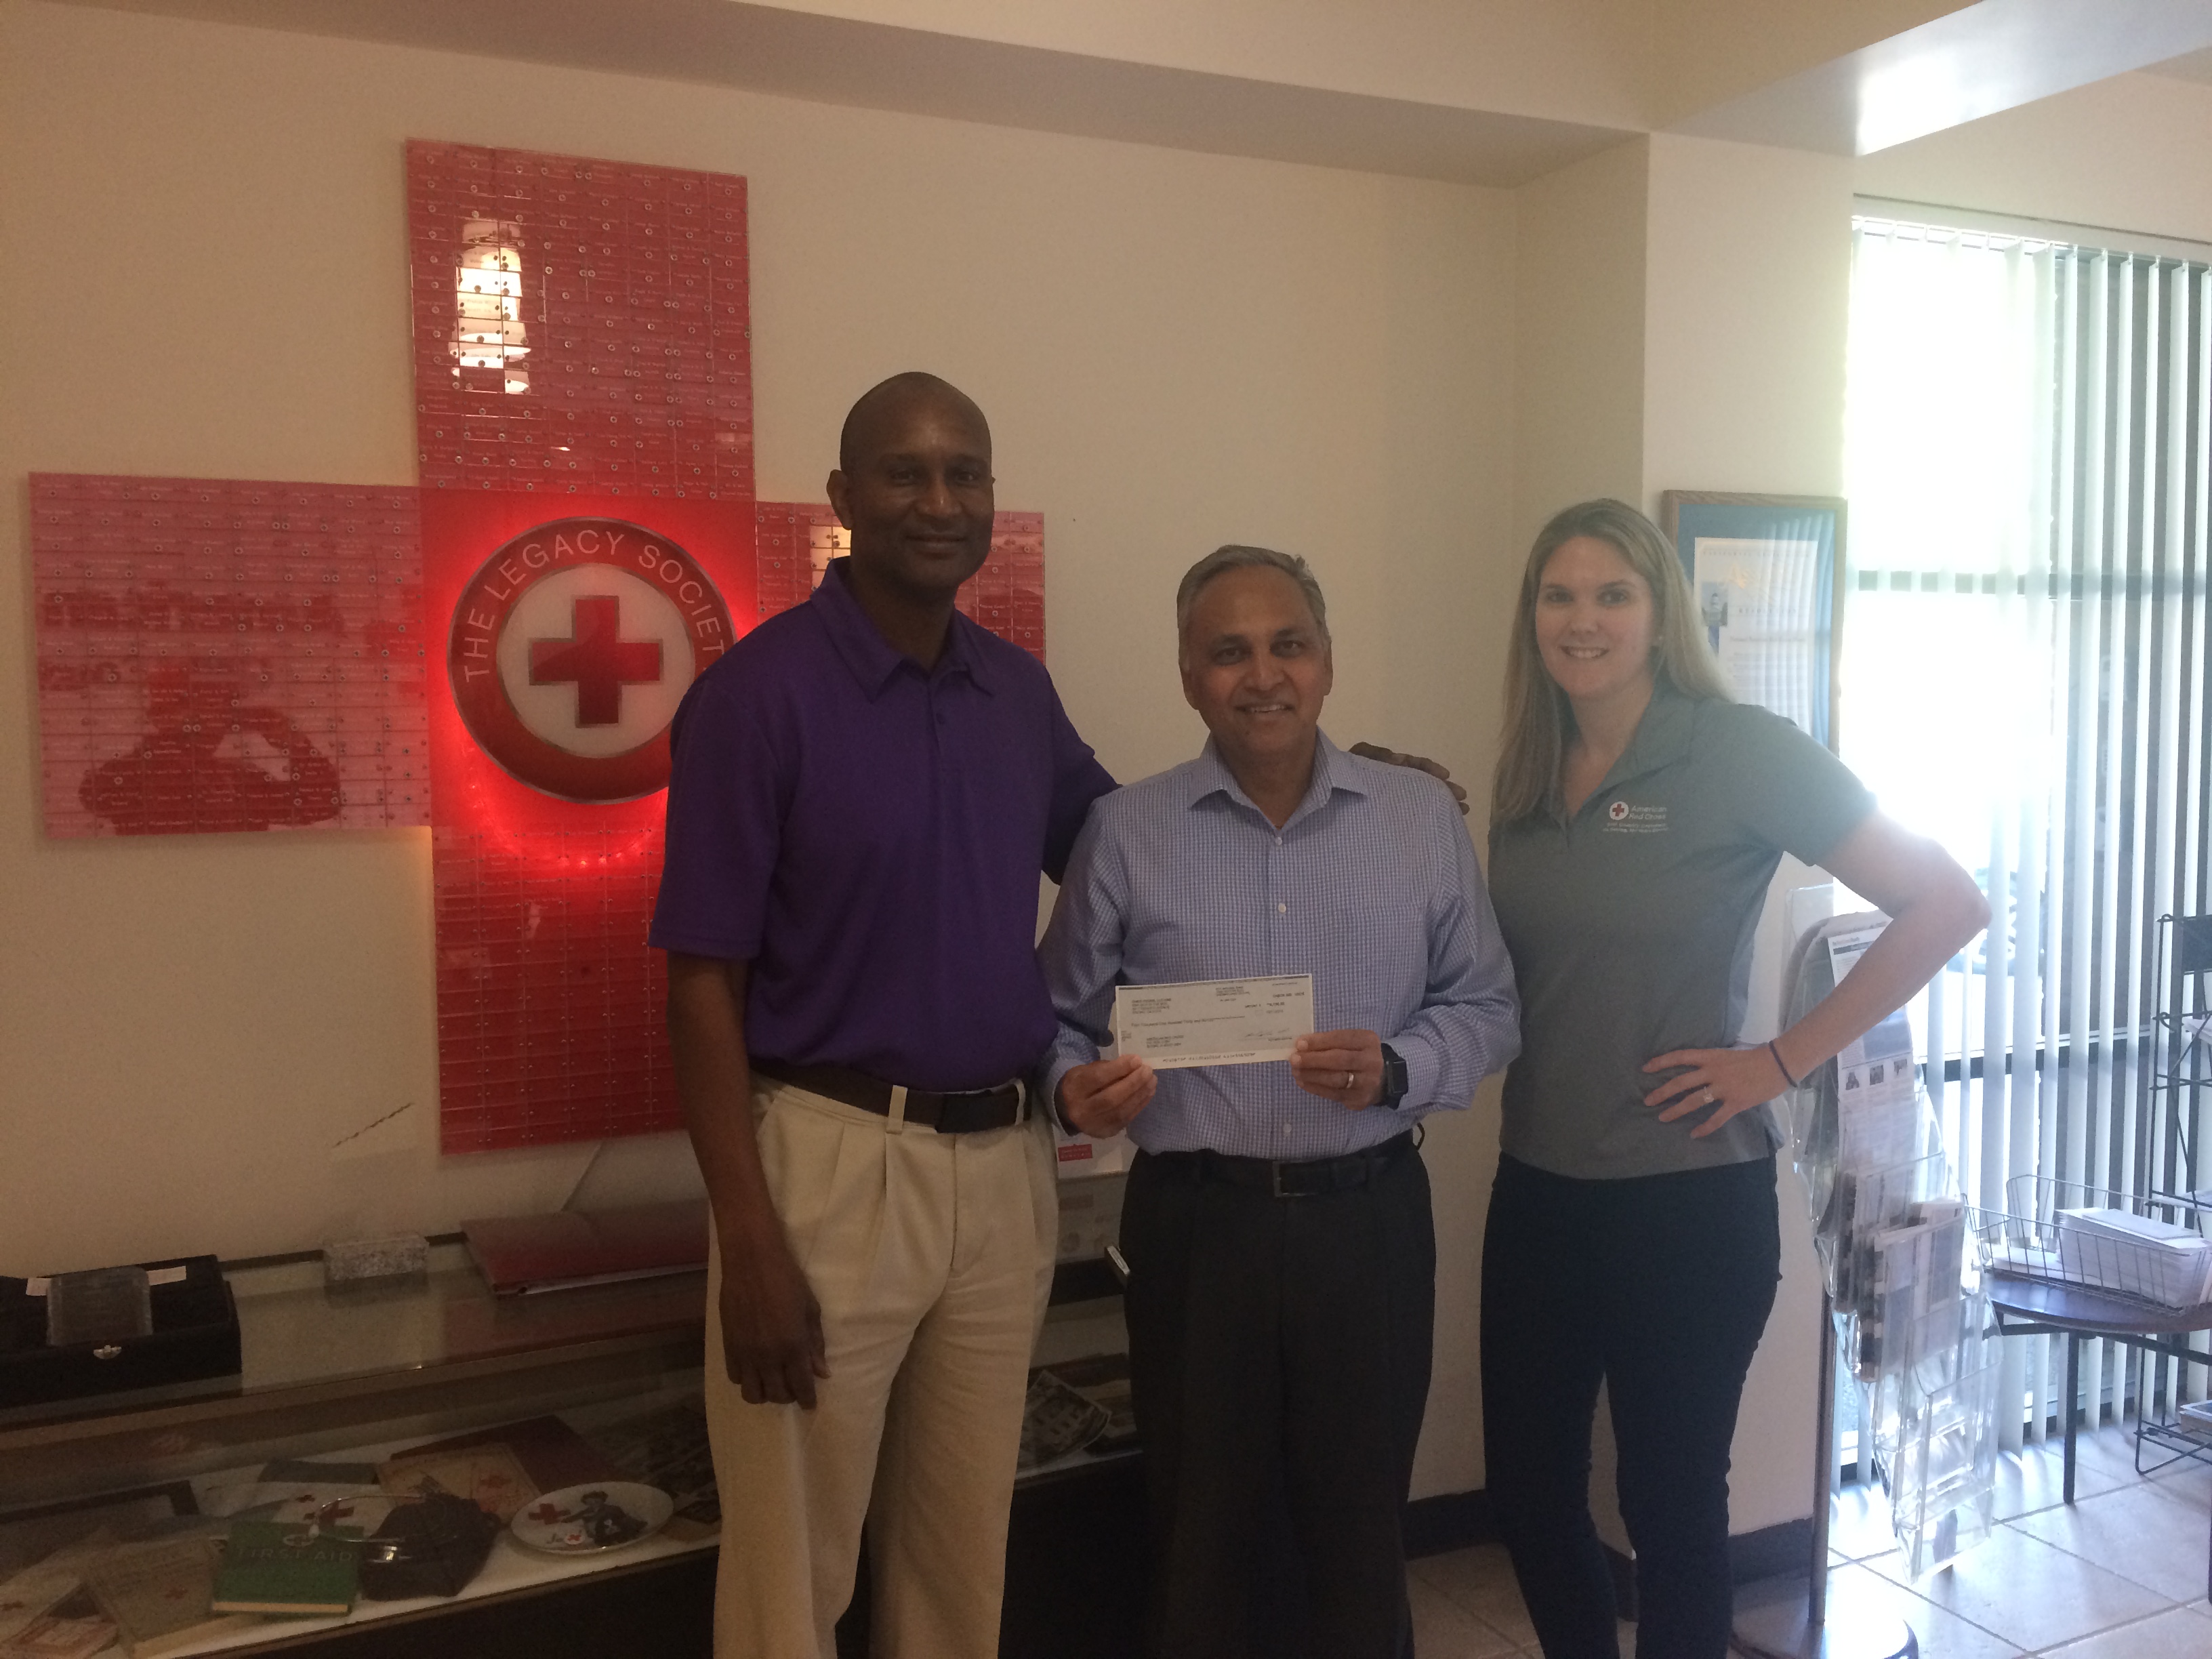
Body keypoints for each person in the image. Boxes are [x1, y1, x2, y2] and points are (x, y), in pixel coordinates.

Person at [653, 376, 1462, 1659]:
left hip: (1001, 1167)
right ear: (844, 496)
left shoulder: (1013, 692)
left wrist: (1355, 789)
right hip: (827, 1167)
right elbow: (701, 980)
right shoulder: (758, 698)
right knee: (793, 1571)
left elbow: (1146, 847)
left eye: (965, 474)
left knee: (960, 1552)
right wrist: (745, 1237)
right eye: (906, 473)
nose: (940, 501)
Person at [1479, 499, 1988, 1659]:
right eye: (1559, 595)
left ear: (1661, 616)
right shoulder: (1527, 766)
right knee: (1530, 1494)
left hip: (1687, 1199)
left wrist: (1782, 1060)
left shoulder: (1737, 748)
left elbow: (1947, 901)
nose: (1583, 620)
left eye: (1614, 594)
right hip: (1540, 1186)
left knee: (1668, 1510)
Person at [1040, 546, 1521, 1659]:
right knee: (1201, 1537)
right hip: (1198, 1226)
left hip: (1369, 1223)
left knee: (1360, 1539)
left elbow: (1489, 1005)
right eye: (1229, 652)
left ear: (1327, 662)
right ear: (1188, 676)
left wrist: (1400, 1066)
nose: (1263, 675)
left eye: (1287, 645)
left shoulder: (1418, 818)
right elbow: (1057, 1015)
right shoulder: (1127, 830)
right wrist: (1072, 1086)